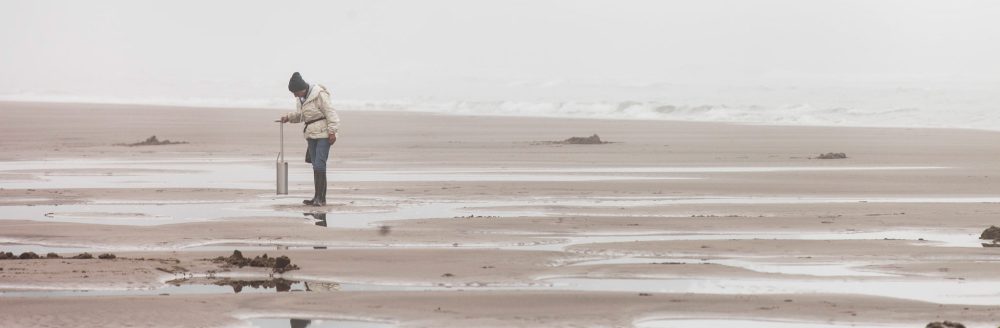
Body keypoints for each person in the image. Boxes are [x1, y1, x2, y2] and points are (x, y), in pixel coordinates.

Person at [280, 72, 340, 206]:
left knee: (319, 164)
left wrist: (332, 132)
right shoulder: (300, 99)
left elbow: (331, 112)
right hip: (311, 134)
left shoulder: (319, 94)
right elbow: (301, 116)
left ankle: (321, 199)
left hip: (324, 134)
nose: (295, 95)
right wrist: (288, 118)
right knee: (315, 166)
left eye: (295, 92)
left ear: (302, 89)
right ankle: (316, 197)